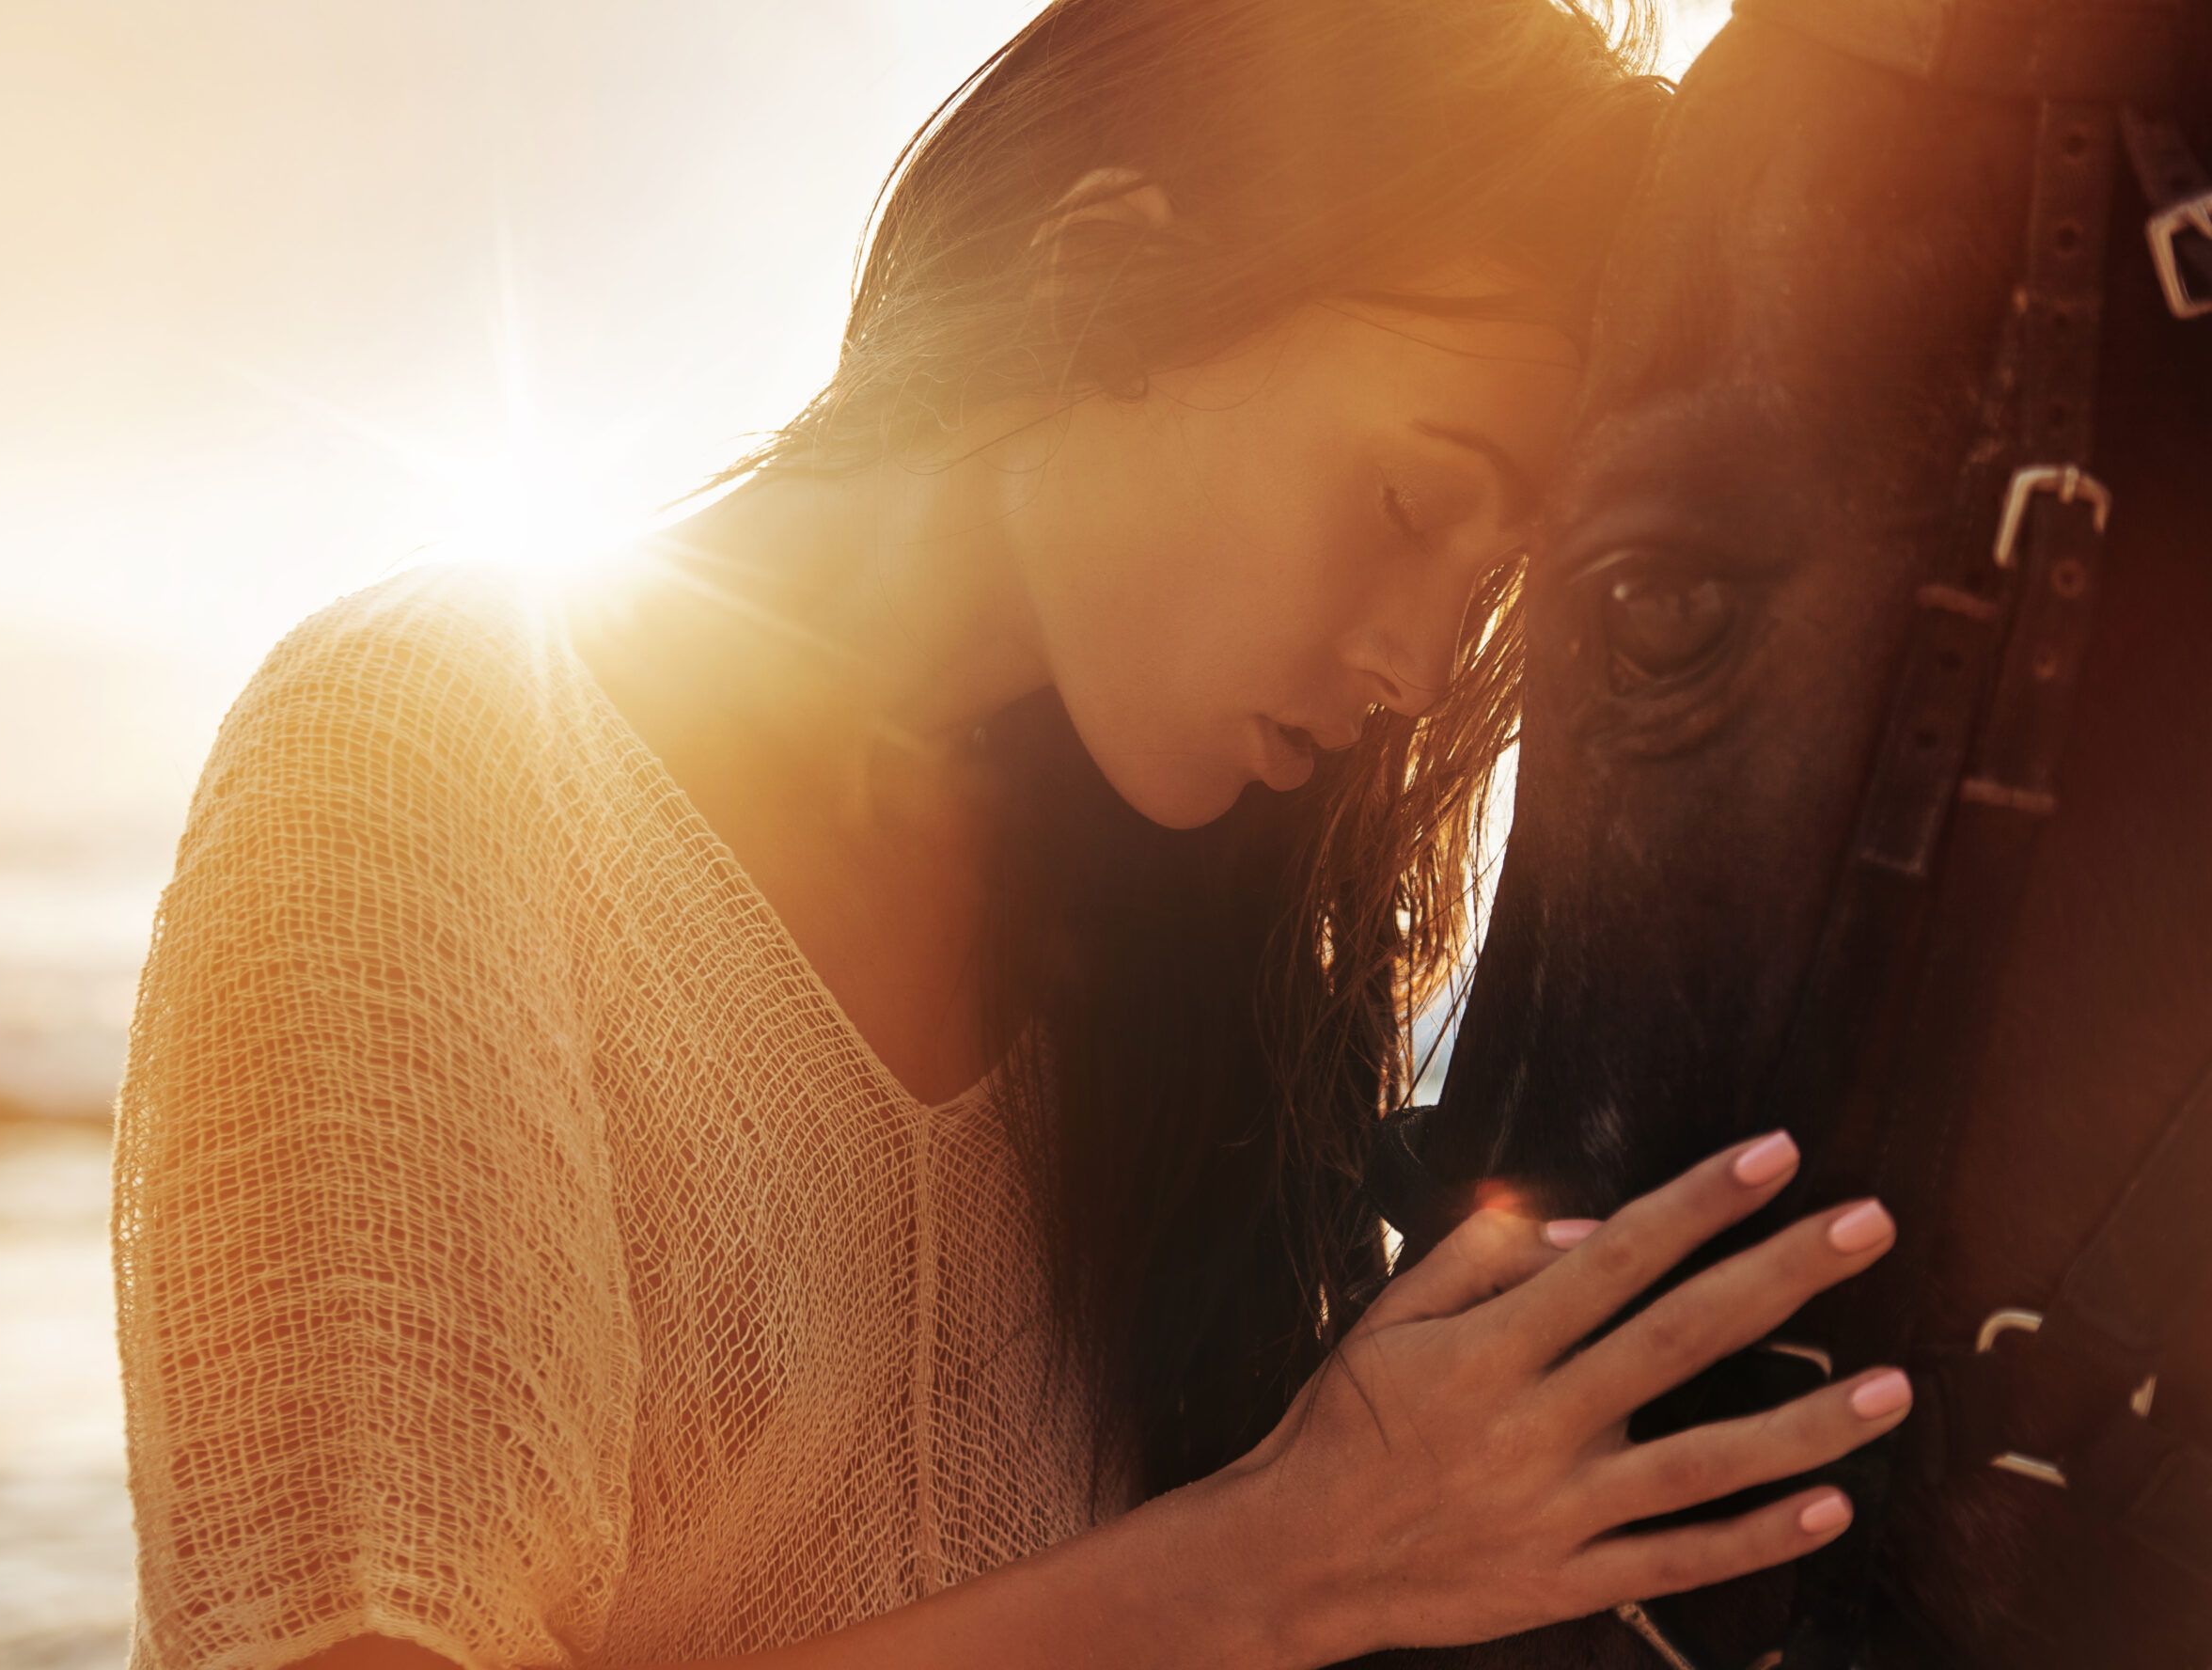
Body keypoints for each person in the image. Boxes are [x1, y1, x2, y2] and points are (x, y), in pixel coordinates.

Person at [112, 1, 1917, 1666]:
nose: (1422, 663)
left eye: (1492, 584)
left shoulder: (1191, 996)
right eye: (1408, 500)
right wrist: (1276, 1559)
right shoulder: (418, 764)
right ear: (1107, 278)